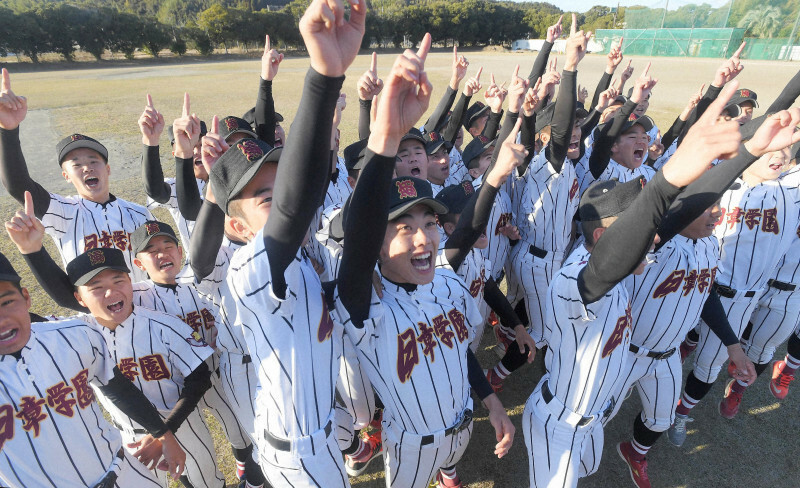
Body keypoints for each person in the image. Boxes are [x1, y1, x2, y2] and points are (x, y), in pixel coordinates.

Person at [522, 77, 743, 488]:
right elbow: (636, 235)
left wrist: (747, 151)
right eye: (639, 231)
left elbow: (678, 216)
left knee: (587, 470)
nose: (652, 236)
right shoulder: (578, 279)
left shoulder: (626, 270)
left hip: (592, 419)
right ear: (606, 239)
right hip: (557, 421)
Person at [335, 33, 515, 488]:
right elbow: (355, 247)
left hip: (462, 430)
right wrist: (385, 137)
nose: (424, 238)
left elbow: (459, 353)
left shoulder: (446, 281)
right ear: (375, 241)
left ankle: (451, 473)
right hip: (411, 444)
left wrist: (492, 403)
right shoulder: (366, 305)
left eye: (430, 223)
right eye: (404, 227)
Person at [199, 0, 367, 483]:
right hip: (297, 456)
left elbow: (307, 194)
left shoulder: (302, 254)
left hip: (318, 434)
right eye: (261, 196)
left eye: (280, 185)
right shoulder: (248, 268)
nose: (278, 199)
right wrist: (322, 75)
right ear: (238, 226)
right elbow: (295, 207)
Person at [7, 208, 268, 488]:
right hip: (130, 434)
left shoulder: (192, 292)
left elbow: (199, 376)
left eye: (118, 280)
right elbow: (31, 316)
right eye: (96, 287)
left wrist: (165, 430)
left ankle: (250, 478)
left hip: (190, 408)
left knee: (228, 452)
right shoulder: (80, 332)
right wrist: (32, 252)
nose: (110, 291)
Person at [0, 251, 186, 487]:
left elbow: (117, 388)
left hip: (124, 473)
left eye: (6, 302)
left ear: (26, 297)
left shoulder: (75, 335)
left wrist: (164, 435)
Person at [0, 68, 154, 281]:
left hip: (145, 306)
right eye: (77, 164)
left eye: (93, 161)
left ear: (107, 169)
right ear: (66, 176)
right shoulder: (63, 212)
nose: (87, 168)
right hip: (97, 311)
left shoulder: (139, 214)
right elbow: (18, 184)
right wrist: (8, 130)